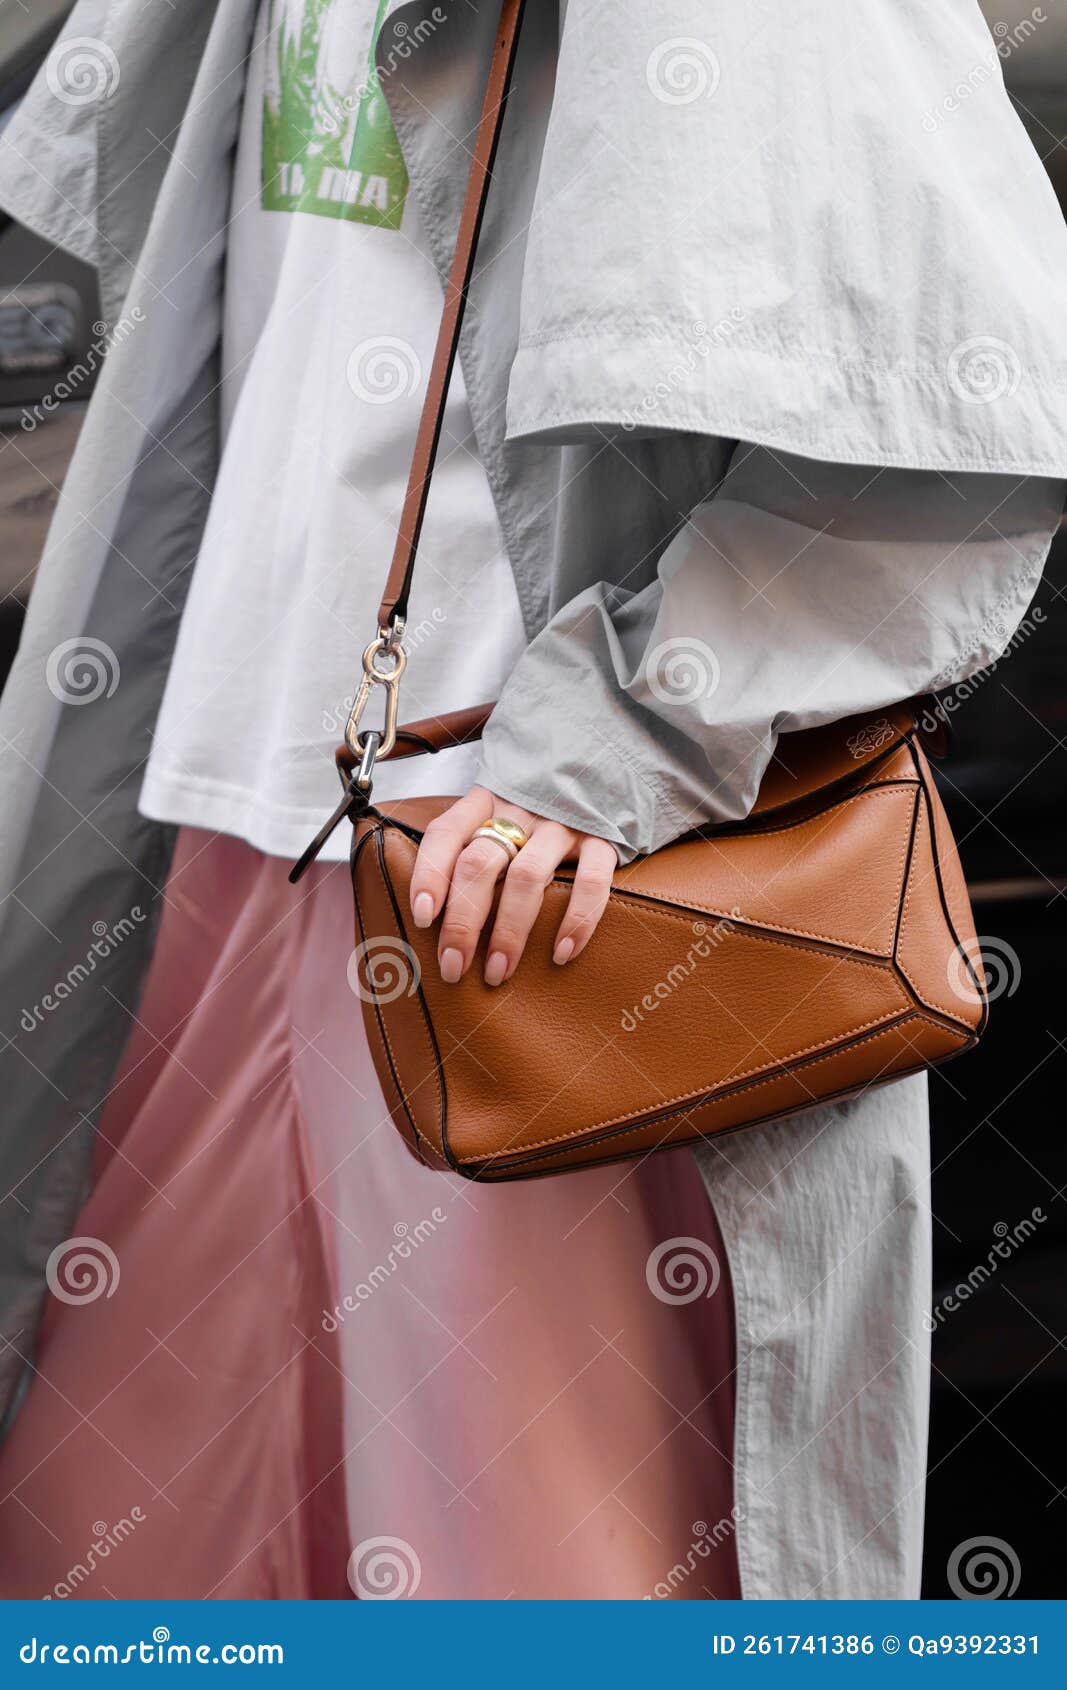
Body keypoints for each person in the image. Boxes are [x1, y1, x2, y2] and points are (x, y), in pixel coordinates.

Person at [0, 0, 1064, 1600]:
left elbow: (945, 424)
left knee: (534, 1584)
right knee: (117, 1557)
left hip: (538, 908)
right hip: (214, 832)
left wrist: (621, 739)